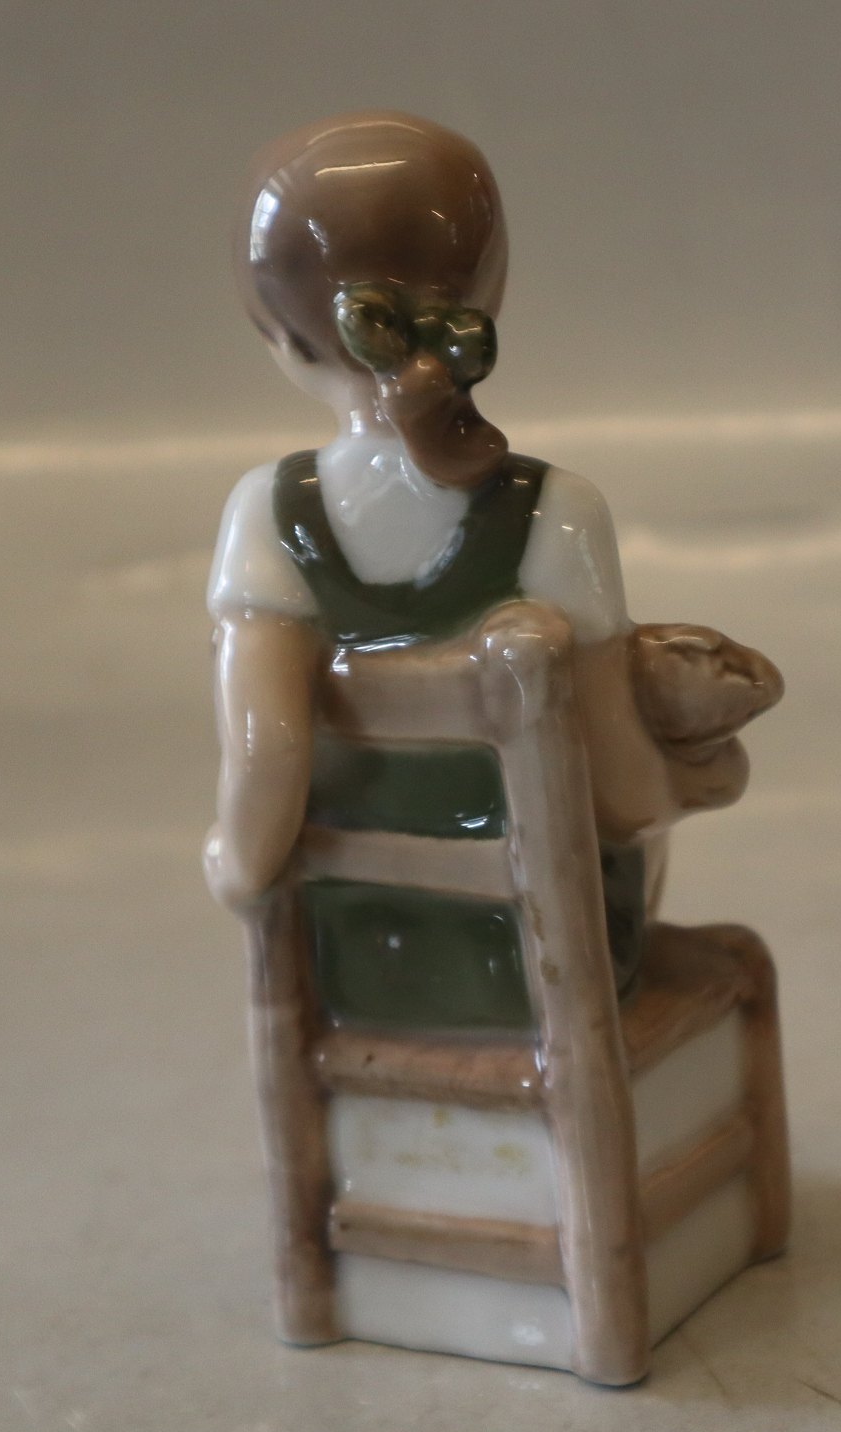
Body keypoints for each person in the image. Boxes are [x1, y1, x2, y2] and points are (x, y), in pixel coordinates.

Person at [204, 111, 780, 999]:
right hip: (551, 967)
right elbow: (620, 791)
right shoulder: (557, 513)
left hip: (353, 961)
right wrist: (699, 776)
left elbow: (269, 754)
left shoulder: (264, 515)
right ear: (489, 304)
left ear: (278, 335)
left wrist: (233, 867)